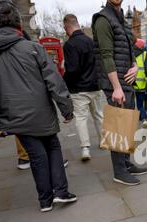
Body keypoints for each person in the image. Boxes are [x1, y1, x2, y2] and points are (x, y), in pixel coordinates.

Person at [0, 1, 77, 212]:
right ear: (19, 23)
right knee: (53, 146)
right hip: (42, 112)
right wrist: (66, 109)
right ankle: (61, 192)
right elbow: (55, 82)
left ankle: (45, 201)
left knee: (36, 155)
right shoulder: (34, 48)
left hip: (12, 116)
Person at [92, 0, 147, 186]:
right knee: (117, 128)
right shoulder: (103, 20)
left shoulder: (121, 18)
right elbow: (106, 55)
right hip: (116, 84)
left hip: (127, 81)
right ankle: (119, 171)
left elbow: (132, 48)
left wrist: (136, 66)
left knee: (127, 126)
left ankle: (126, 163)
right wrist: (116, 87)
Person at [63, 14, 105, 162]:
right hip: (95, 85)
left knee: (81, 118)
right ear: (78, 24)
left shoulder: (70, 45)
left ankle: (85, 148)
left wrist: (65, 83)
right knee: (99, 115)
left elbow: (72, 69)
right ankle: (103, 141)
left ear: (67, 27)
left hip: (79, 89)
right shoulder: (90, 41)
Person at [133, 41, 147, 127]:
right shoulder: (145, 54)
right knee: (144, 101)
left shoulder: (132, 54)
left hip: (135, 83)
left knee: (139, 102)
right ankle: (144, 118)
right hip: (144, 82)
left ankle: (140, 116)